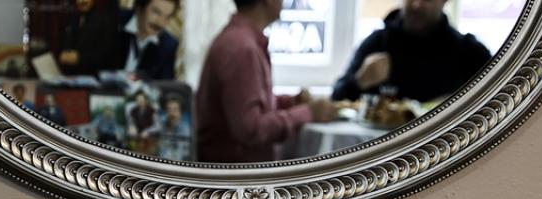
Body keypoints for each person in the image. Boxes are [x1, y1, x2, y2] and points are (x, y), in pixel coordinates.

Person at [196, 0, 336, 163]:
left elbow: (246, 105)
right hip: (236, 174)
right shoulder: (242, 49)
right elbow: (251, 129)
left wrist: (291, 102)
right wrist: (307, 113)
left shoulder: (240, 40)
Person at [331, 0, 492, 104]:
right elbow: (336, 98)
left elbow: (498, 99)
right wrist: (360, 81)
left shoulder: (469, 52)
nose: (417, 4)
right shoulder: (376, 43)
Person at [115, 0, 180, 80]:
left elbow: (164, 84)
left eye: (167, 17)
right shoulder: (113, 21)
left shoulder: (168, 46)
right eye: (156, 12)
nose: (160, 23)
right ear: (140, 7)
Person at [59, 0, 119, 77]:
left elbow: (108, 56)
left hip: (96, 78)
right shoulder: (74, 17)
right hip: (73, 76)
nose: (81, 1)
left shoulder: (105, 20)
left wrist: (79, 58)